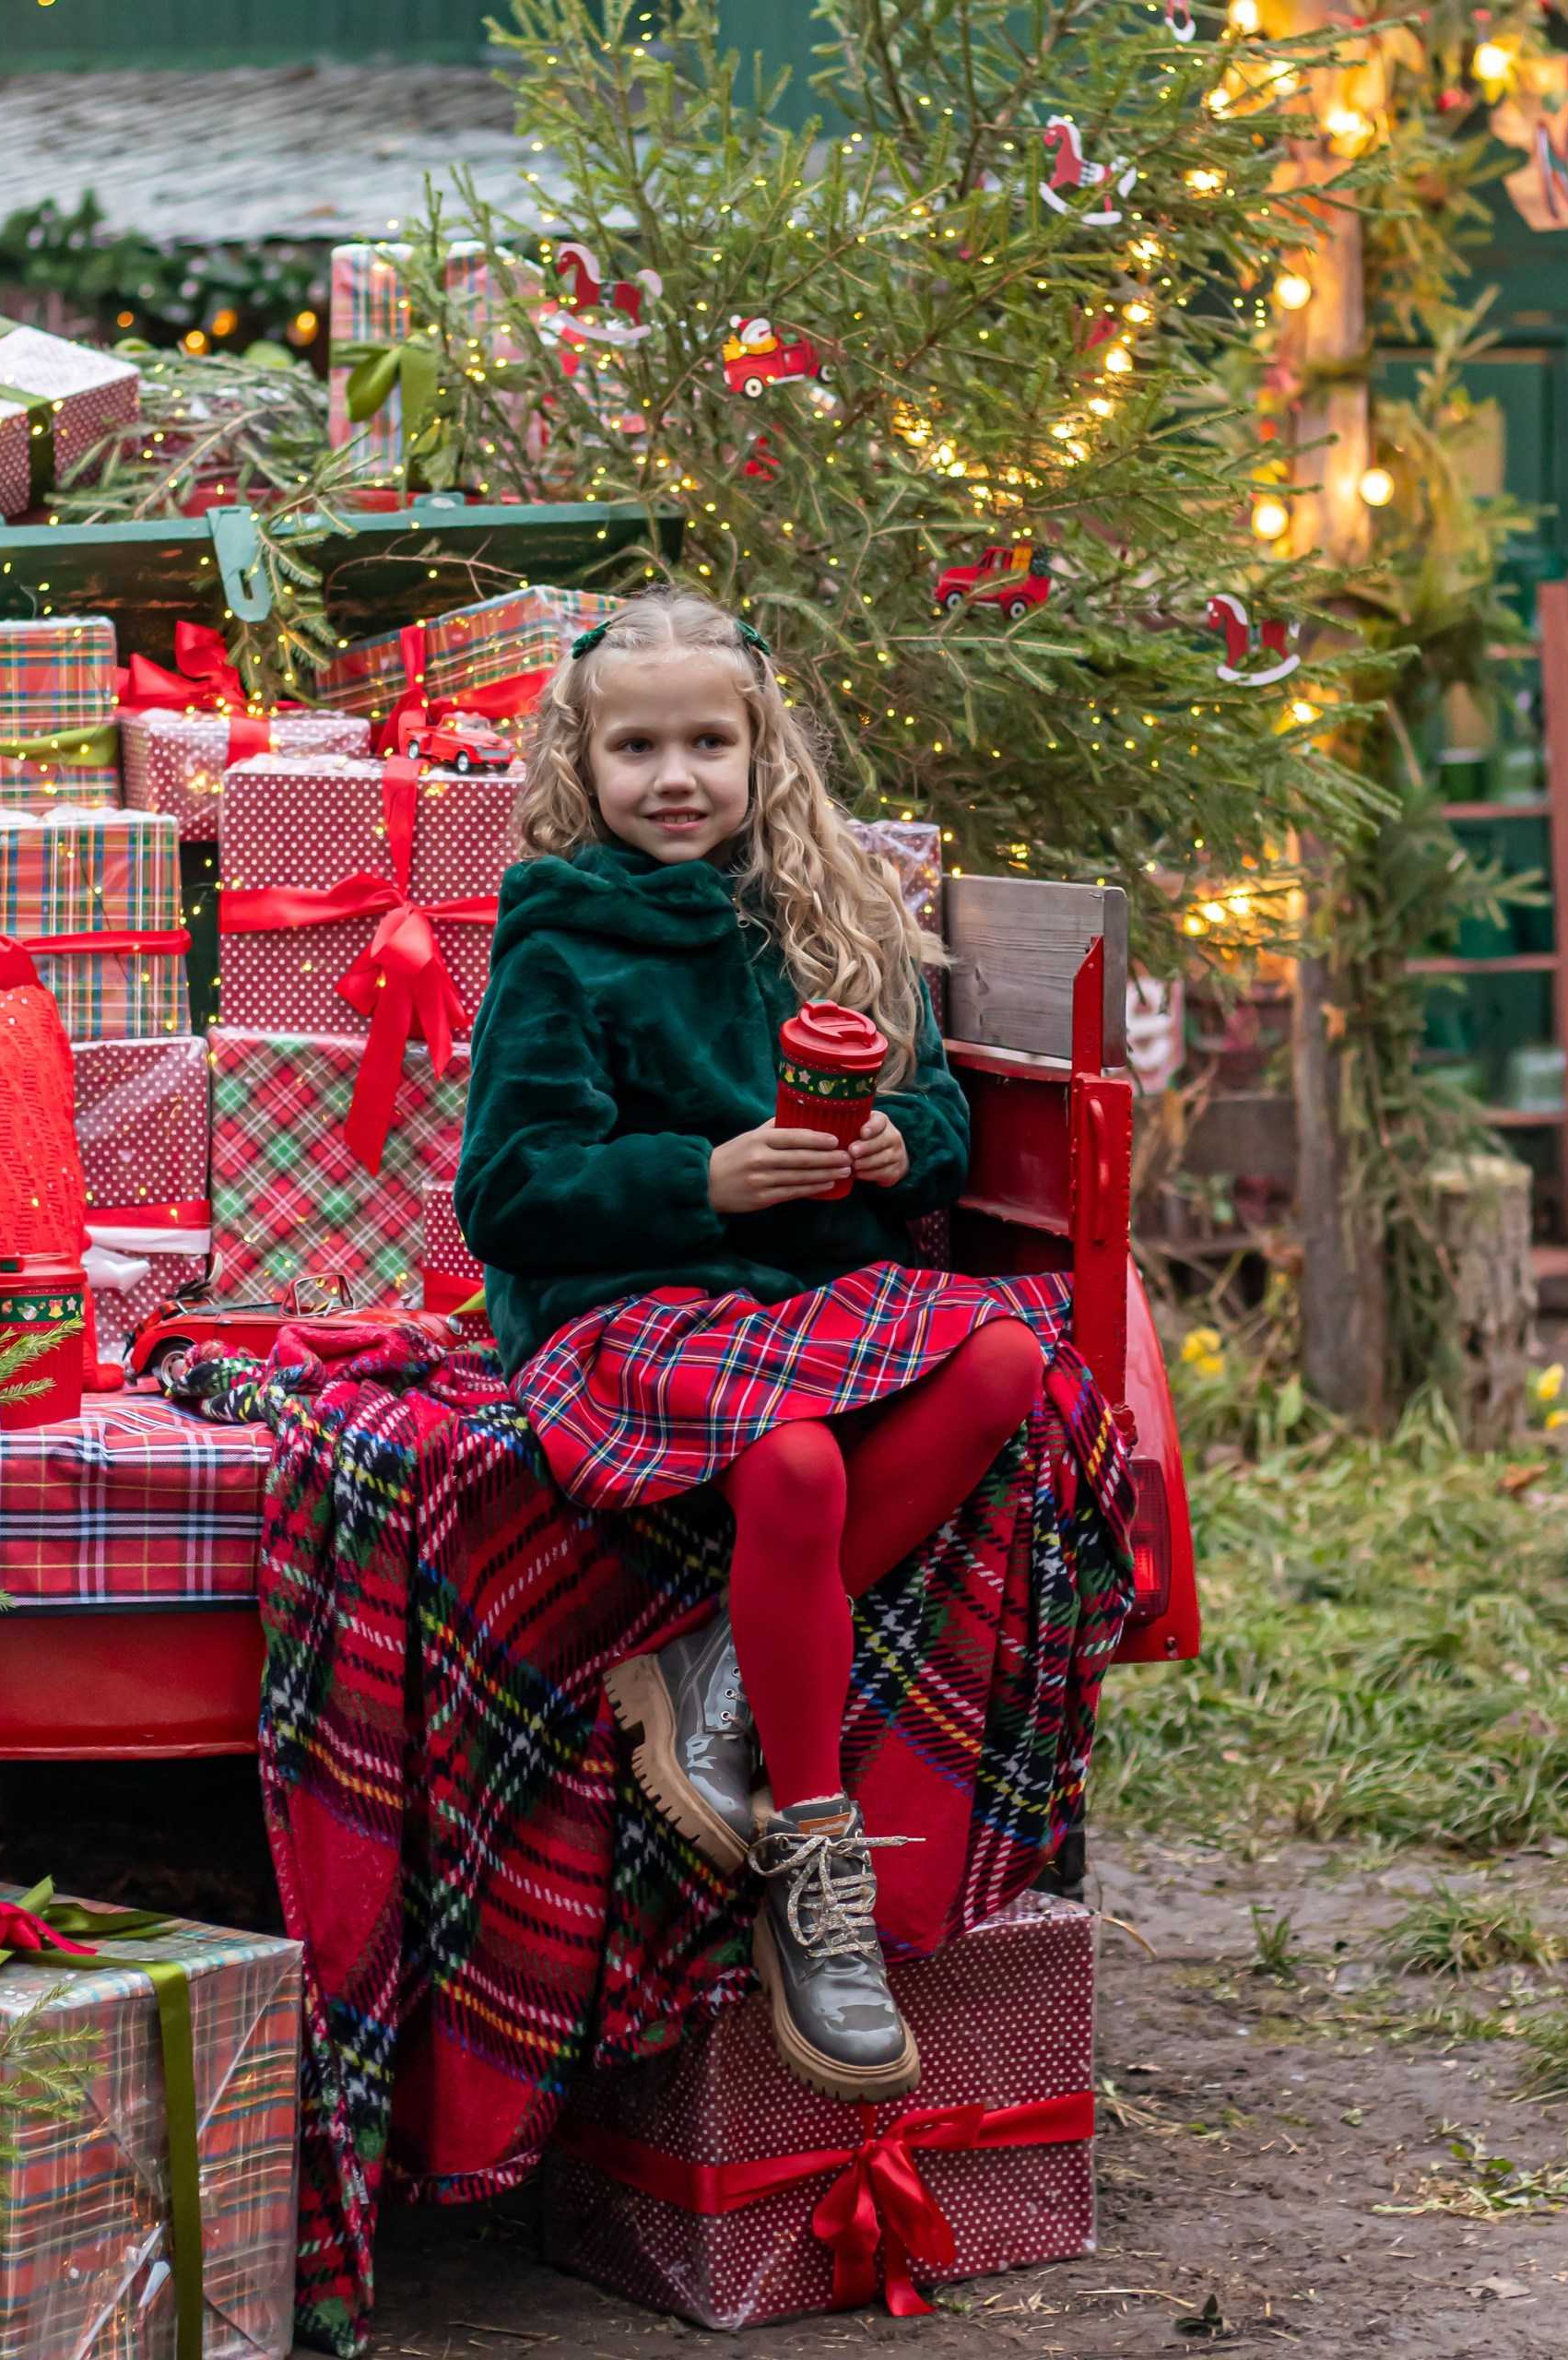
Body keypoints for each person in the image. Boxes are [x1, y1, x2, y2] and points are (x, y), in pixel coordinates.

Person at [454, 589, 1047, 2103]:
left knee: (1003, 1364)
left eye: (707, 741)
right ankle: (808, 1854)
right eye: (635, 745)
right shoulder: (561, 938)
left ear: (760, 749)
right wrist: (698, 1176)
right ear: (577, 763)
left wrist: (877, 1160)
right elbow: (508, 1194)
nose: (674, 777)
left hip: (793, 1294)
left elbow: (939, 1120)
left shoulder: (822, 909)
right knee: (789, 1470)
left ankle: (713, 1668)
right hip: (629, 1300)